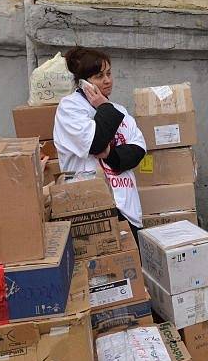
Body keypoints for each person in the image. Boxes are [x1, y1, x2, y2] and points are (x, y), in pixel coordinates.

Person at [53, 47, 147, 239]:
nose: (107, 80)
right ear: (84, 82)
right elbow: (95, 143)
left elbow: (138, 149)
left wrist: (111, 153)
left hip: (125, 208)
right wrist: (103, 107)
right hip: (89, 207)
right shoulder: (70, 107)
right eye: (99, 76)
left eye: (109, 73)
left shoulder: (119, 110)